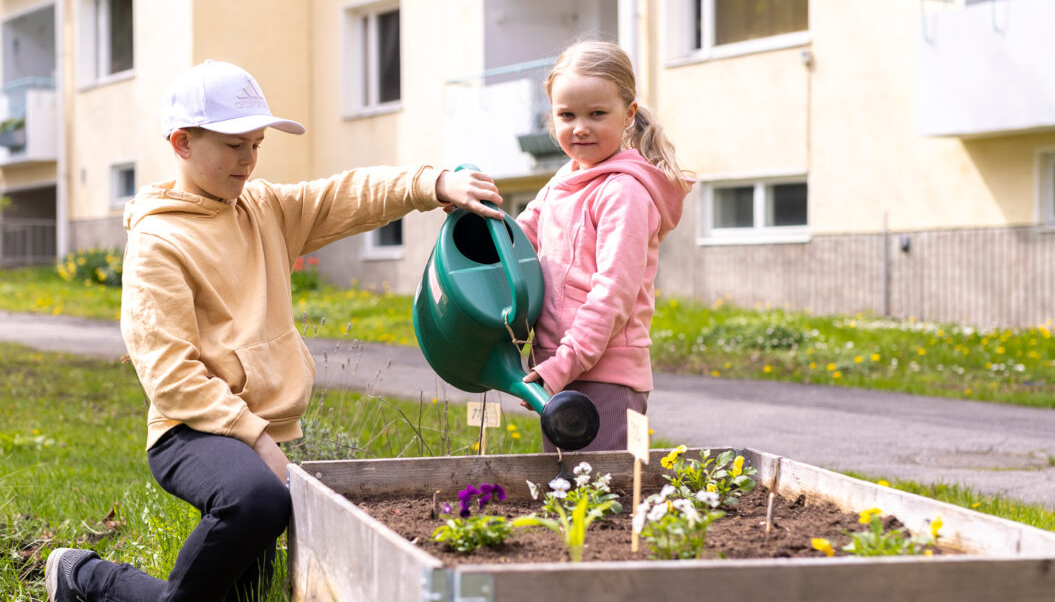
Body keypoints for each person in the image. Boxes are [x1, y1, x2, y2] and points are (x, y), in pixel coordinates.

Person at [44, 59, 502, 602]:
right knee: (258, 500)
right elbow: (169, 375)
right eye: (234, 144)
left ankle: (87, 579)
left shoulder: (262, 207)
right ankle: (88, 580)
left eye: (256, 144)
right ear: (182, 142)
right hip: (191, 428)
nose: (248, 160)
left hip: (255, 429)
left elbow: (343, 195)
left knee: (245, 592)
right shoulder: (158, 242)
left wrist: (434, 183)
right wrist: (256, 439)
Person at [515, 41, 692, 452]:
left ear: (628, 113)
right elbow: (518, 240)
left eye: (597, 114)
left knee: (606, 498)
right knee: (565, 496)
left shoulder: (623, 192)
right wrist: (474, 220)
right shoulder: (563, 180)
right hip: (558, 368)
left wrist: (563, 364)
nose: (580, 127)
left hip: (606, 376)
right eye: (566, 115)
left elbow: (613, 292)